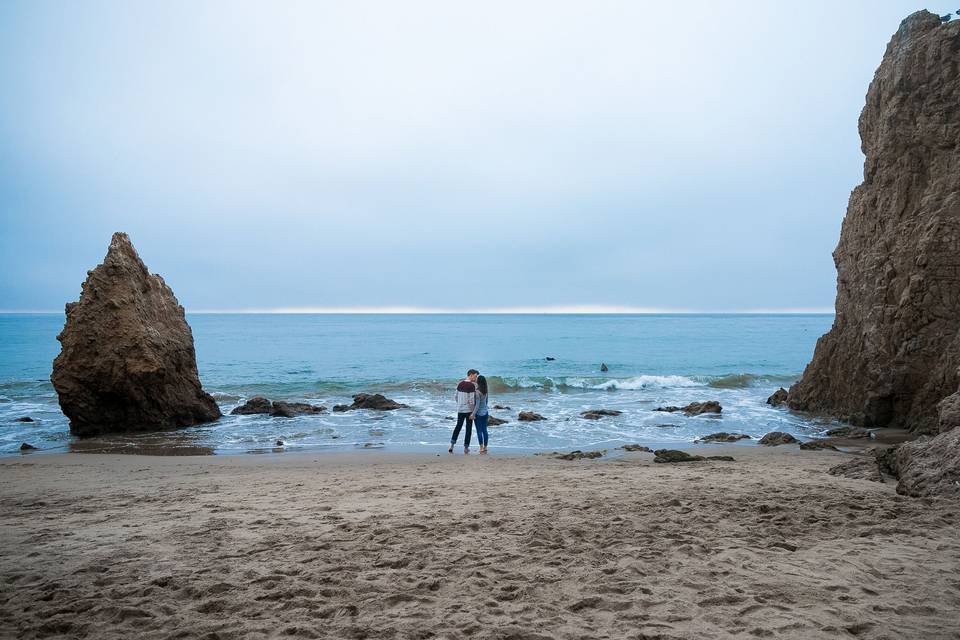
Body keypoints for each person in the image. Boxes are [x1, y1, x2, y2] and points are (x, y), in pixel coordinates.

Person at [449, 369, 478, 453]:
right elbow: (471, 400)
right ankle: (466, 448)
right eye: (475, 376)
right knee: (468, 429)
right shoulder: (471, 386)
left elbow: (456, 396)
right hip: (468, 410)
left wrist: (460, 404)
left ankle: (451, 445)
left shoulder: (460, 384)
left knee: (458, 427)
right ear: (471, 375)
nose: (476, 378)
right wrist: (473, 412)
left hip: (460, 409)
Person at [471, 374, 490, 454]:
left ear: (478, 382)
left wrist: (473, 414)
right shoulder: (485, 391)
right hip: (485, 412)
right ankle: (485, 447)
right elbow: (486, 402)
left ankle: (481, 447)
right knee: (485, 430)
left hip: (478, 414)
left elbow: (477, 405)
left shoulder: (477, 392)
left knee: (479, 431)